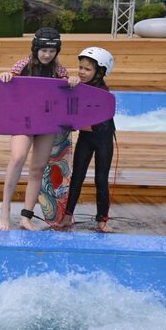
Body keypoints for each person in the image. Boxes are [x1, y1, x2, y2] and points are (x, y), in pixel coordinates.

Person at [0, 27, 79, 231]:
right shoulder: (23, 65)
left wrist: (73, 81)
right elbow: (10, 80)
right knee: (17, 157)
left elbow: (66, 95)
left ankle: (26, 217)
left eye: (51, 51)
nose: (47, 55)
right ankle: (4, 211)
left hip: (46, 122)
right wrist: (6, 75)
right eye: (43, 50)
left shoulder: (59, 71)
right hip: (23, 120)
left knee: (38, 168)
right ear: (35, 49)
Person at [56, 47, 116, 232]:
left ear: (100, 71)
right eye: (80, 67)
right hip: (86, 137)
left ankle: (102, 219)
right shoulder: (79, 86)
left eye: (87, 69)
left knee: (100, 178)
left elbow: (95, 122)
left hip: (103, 136)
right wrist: (70, 81)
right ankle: (67, 215)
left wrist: (71, 125)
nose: (82, 72)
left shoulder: (103, 92)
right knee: (77, 176)